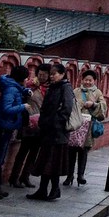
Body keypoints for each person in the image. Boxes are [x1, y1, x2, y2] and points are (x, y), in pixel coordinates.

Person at [0, 64, 32, 199]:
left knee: (0, 159)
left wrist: (26, 91)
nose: (27, 80)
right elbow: (6, 108)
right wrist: (23, 106)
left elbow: (17, 92)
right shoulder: (11, 89)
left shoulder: (13, 87)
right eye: (26, 78)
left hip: (7, 127)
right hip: (3, 127)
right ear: (21, 79)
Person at [27, 62, 75, 202]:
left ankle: (54, 189)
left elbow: (67, 108)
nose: (52, 76)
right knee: (46, 161)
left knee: (53, 162)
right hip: (48, 131)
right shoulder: (53, 87)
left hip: (57, 132)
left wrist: (55, 122)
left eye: (55, 74)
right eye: (51, 74)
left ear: (62, 74)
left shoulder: (65, 87)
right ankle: (43, 190)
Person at [9, 64, 50, 188]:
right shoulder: (30, 85)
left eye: (45, 75)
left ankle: (25, 177)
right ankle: (14, 177)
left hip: (41, 125)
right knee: (23, 151)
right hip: (28, 123)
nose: (42, 77)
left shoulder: (50, 89)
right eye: (40, 74)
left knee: (34, 153)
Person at [65, 70, 107, 186]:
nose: (87, 82)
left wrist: (93, 104)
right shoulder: (76, 91)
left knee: (83, 152)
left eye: (90, 80)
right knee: (71, 151)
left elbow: (103, 106)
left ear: (94, 81)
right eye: (86, 80)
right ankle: (69, 176)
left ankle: (80, 175)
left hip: (88, 126)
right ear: (82, 80)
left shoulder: (97, 92)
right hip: (75, 124)